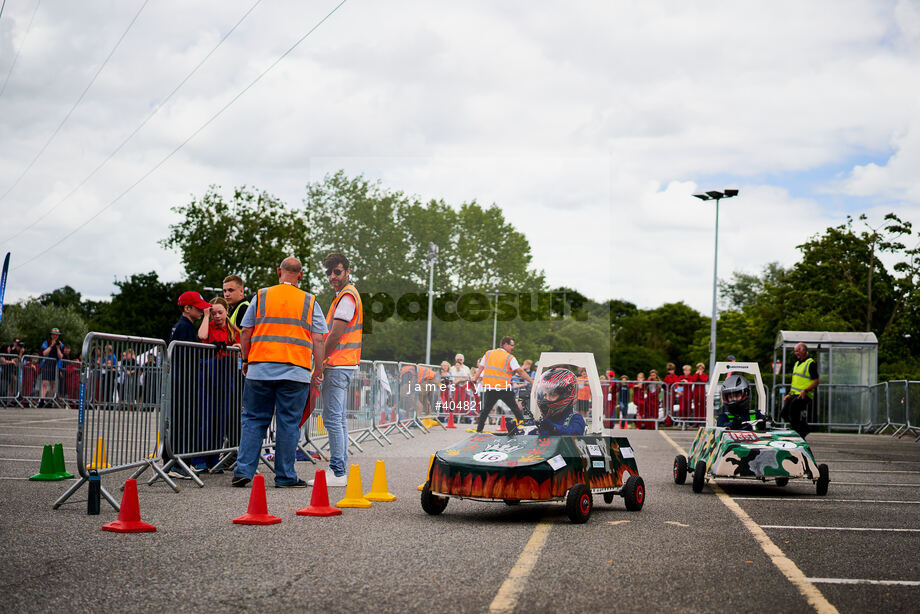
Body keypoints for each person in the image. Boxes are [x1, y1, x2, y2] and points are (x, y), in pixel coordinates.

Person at [233, 256, 327, 489]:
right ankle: (285, 476)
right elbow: (318, 338)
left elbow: (246, 332)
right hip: (295, 372)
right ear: (301, 276)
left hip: (260, 369)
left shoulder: (262, 296)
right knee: (288, 423)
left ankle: (244, 470)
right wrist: (319, 368)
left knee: (253, 419)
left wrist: (246, 359)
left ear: (279, 271)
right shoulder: (309, 301)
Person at [167, 290, 211, 479]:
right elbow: (187, 355)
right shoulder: (184, 327)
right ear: (187, 308)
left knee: (182, 421)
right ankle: (177, 464)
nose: (201, 311)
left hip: (182, 380)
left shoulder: (184, 325)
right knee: (184, 422)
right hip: (184, 381)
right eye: (198, 308)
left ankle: (176, 462)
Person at [472, 336, 534, 432]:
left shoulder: (488, 354)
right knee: (515, 409)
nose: (512, 348)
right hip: (504, 388)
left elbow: (481, 368)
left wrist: (474, 380)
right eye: (511, 345)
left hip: (491, 388)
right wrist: (531, 381)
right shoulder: (509, 357)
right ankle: (523, 429)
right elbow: (520, 371)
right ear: (505, 344)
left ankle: (478, 431)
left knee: (485, 411)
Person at [532, 368, 586, 436]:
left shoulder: (575, 419)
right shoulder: (543, 420)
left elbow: (574, 432)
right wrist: (517, 433)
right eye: (545, 395)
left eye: (552, 395)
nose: (547, 398)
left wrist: (553, 428)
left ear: (566, 395)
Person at [781, 343, 818, 439]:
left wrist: (805, 390)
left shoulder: (810, 363)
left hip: (805, 394)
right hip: (794, 394)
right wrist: (789, 394)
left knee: (794, 409)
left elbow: (816, 381)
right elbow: (795, 381)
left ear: (804, 351)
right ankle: (803, 428)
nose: (795, 353)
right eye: (795, 351)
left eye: (797, 351)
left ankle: (798, 433)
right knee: (784, 413)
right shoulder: (797, 363)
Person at [39, 328, 64, 406]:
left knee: (53, 384)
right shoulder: (46, 342)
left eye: (57, 335)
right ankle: (42, 400)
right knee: (45, 383)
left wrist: (57, 348)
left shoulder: (61, 344)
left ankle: (49, 400)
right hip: (47, 364)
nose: (55, 336)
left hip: (55, 365)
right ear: (51, 335)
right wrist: (51, 346)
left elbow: (61, 356)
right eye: (54, 335)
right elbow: (44, 353)